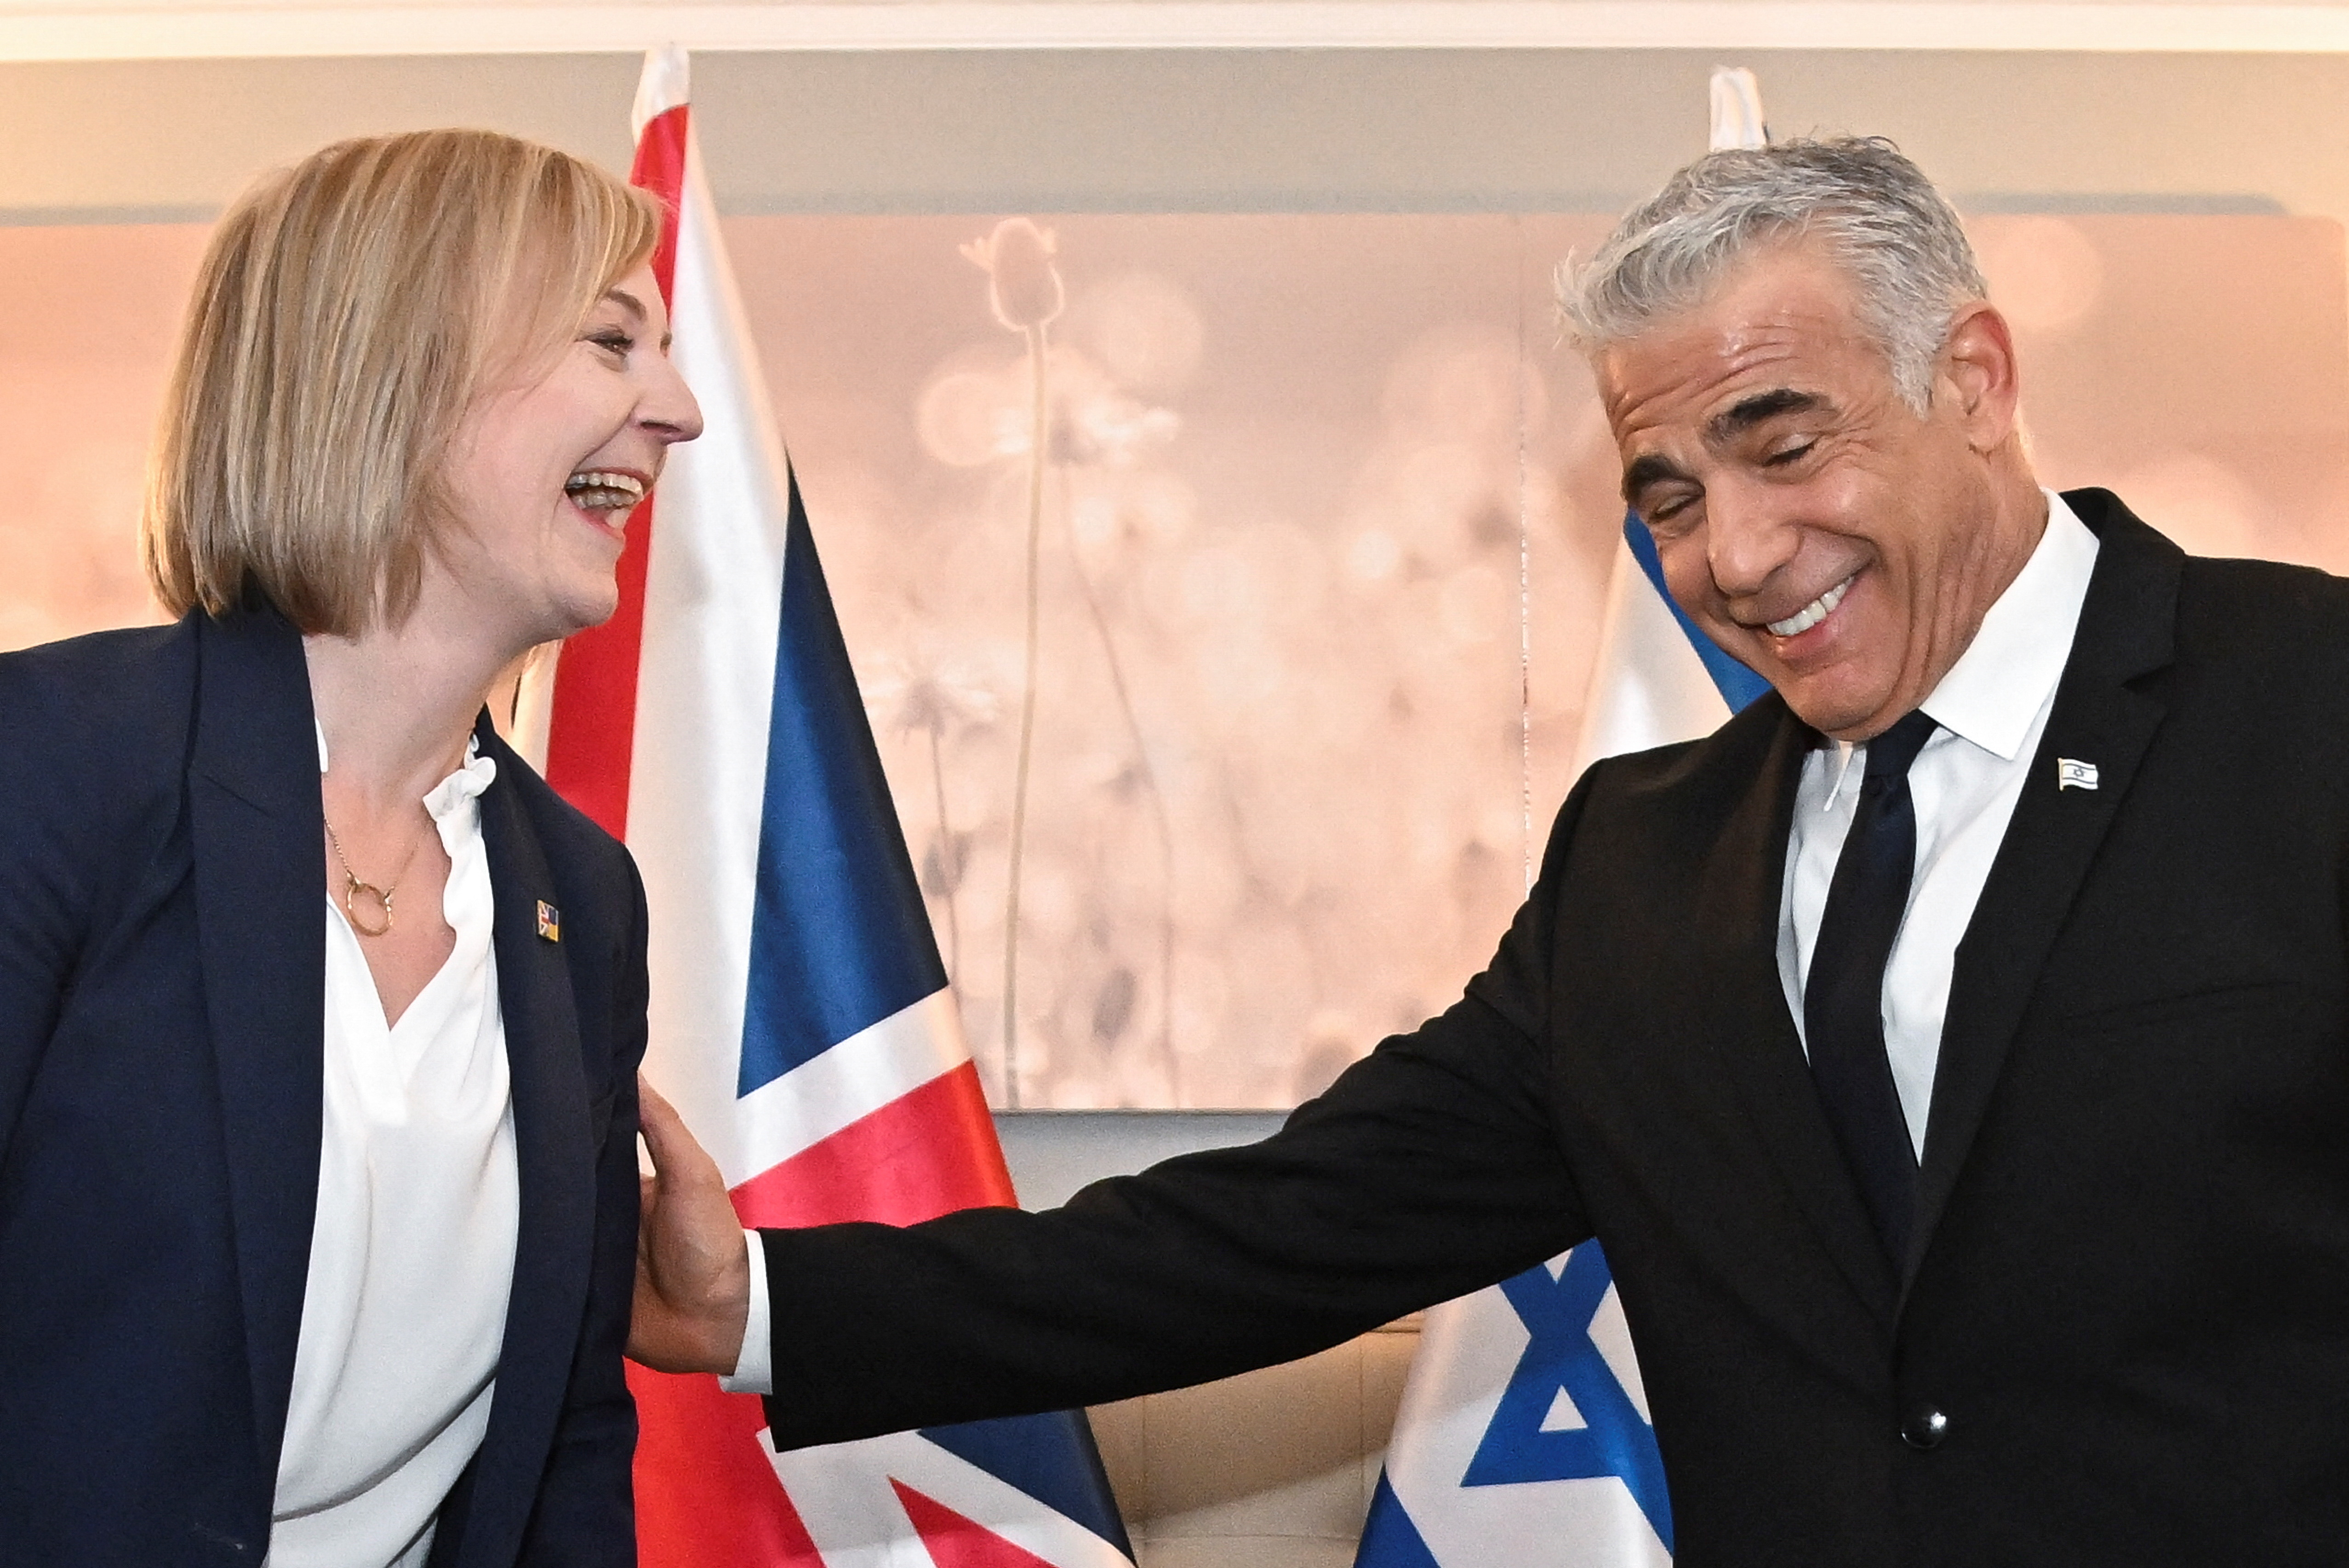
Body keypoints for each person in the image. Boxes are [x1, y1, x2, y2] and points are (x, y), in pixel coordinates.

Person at [630, 137, 2349, 1564]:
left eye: (1786, 443)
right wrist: (761, 1301)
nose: (1737, 555)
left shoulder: (2312, 709)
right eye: (1666, 495)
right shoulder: (1648, 860)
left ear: (1973, 380)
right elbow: (1285, 1228)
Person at [0, 129, 701, 1565]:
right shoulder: (50, 769)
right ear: (398, 367)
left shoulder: (584, 897)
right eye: (611, 340)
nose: (677, 410)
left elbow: (569, 1443)